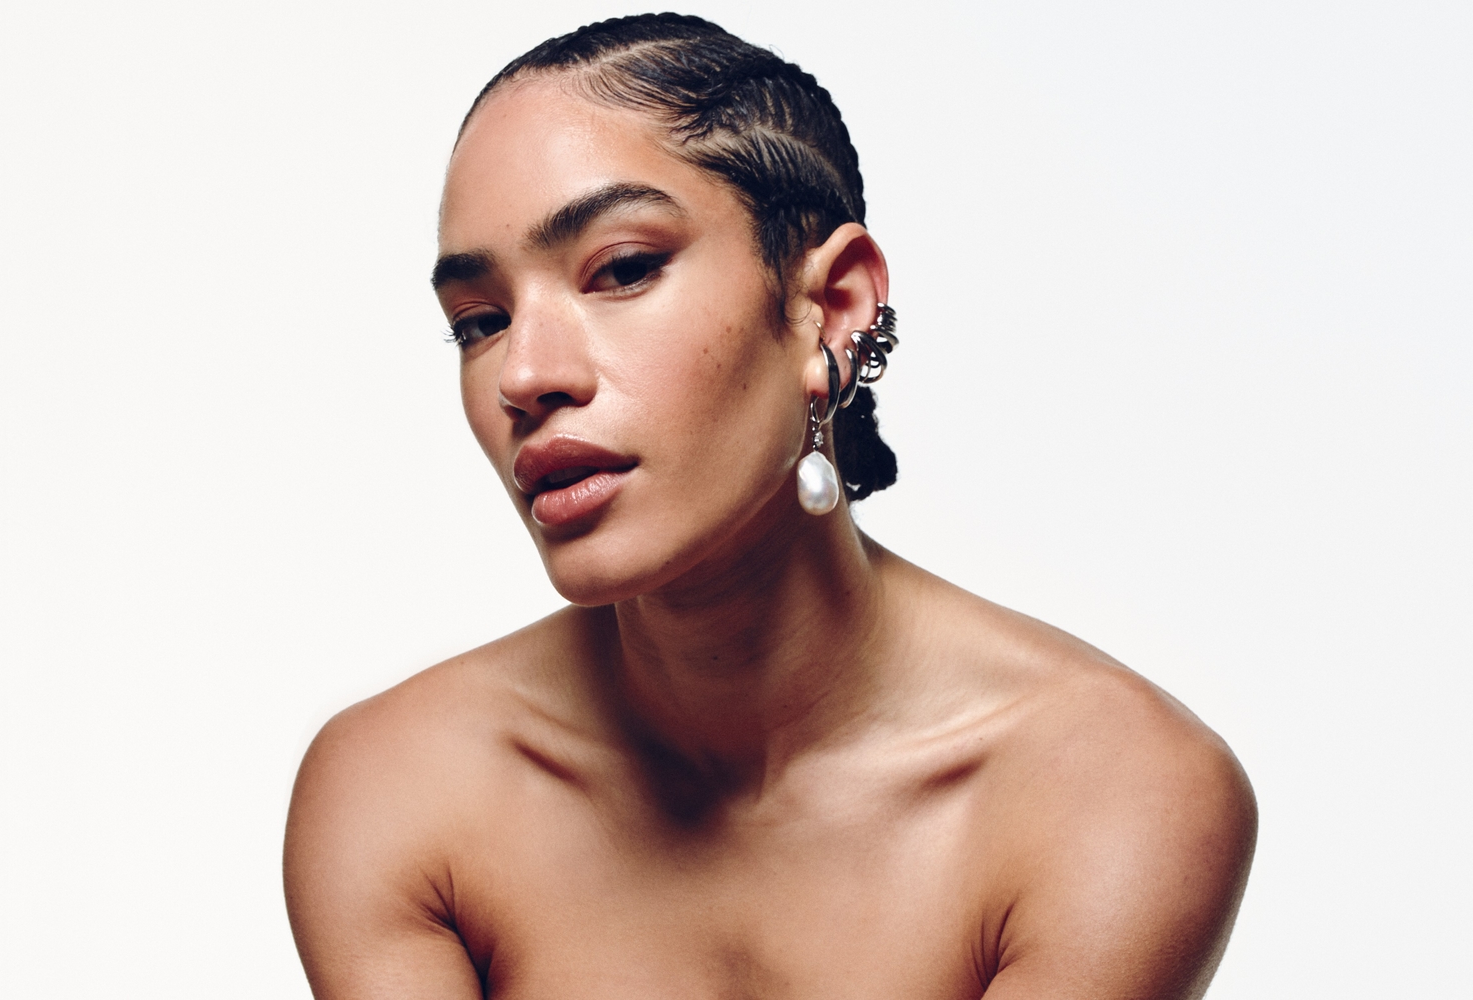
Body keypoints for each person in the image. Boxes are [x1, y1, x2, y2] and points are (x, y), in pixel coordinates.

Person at [283, 14, 1257, 999]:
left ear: (830, 309)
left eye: (623, 269)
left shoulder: (1113, 790)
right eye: (479, 323)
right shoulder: (397, 794)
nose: (523, 375)